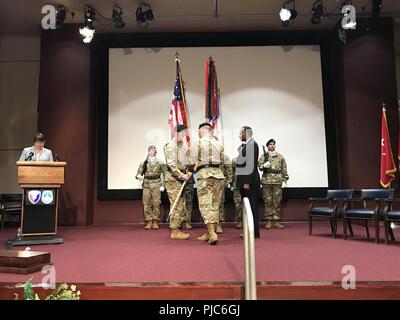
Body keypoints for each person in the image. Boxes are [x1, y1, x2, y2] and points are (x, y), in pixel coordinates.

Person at [189, 122, 225, 245]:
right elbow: (222, 161)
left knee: (205, 205)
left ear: (202, 130)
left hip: (204, 175)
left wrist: (191, 168)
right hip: (218, 175)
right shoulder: (219, 143)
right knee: (215, 204)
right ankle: (209, 232)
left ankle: (212, 233)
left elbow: (191, 162)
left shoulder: (198, 142)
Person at [164, 124, 192, 240]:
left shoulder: (180, 146)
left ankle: (177, 228)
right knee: (176, 205)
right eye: (183, 133)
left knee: (181, 204)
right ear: (176, 133)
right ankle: (174, 231)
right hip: (173, 179)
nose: (184, 136)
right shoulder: (171, 146)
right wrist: (182, 176)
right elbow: (171, 165)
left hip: (179, 179)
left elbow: (183, 162)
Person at [235, 126, 260, 238]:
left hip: (249, 183)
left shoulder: (252, 145)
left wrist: (247, 182)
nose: (239, 135)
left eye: (241, 133)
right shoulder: (248, 145)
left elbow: (251, 165)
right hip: (245, 182)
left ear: (246, 133)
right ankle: (251, 232)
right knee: (248, 208)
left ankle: (253, 233)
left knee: (252, 208)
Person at [258, 139, 289, 229]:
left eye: (273, 144)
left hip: (277, 180)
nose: (272, 146)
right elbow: (259, 167)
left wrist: (285, 178)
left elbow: (284, 168)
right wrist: (263, 166)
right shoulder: (264, 156)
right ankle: (269, 221)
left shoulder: (280, 157)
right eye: (270, 144)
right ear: (267, 146)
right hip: (267, 180)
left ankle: (276, 220)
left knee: (277, 201)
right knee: (268, 201)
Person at [136, 145, 165, 230]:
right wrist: (139, 176)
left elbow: (164, 174)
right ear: (148, 152)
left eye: (153, 150)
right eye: (150, 150)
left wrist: (163, 185)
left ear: (156, 152)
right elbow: (139, 172)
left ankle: (155, 221)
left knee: (156, 203)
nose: (152, 152)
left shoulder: (160, 162)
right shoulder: (144, 163)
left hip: (156, 183)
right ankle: (149, 221)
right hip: (147, 184)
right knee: (146, 203)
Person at [217, 154, 232, 234]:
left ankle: (219, 223)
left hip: (220, 182)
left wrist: (227, 182)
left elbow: (229, 170)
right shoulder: (207, 155)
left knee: (219, 203)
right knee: (209, 203)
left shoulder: (224, 157)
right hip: (208, 182)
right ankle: (211, 224)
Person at [230, 157, 243, 229]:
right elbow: (231, 172)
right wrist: (231, 184)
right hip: (236, 185)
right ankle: (240, 221)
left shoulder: (250, 160)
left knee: (247, 204)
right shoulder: (235, 160)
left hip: (247, 186)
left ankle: (247, 221)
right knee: (238, 204)